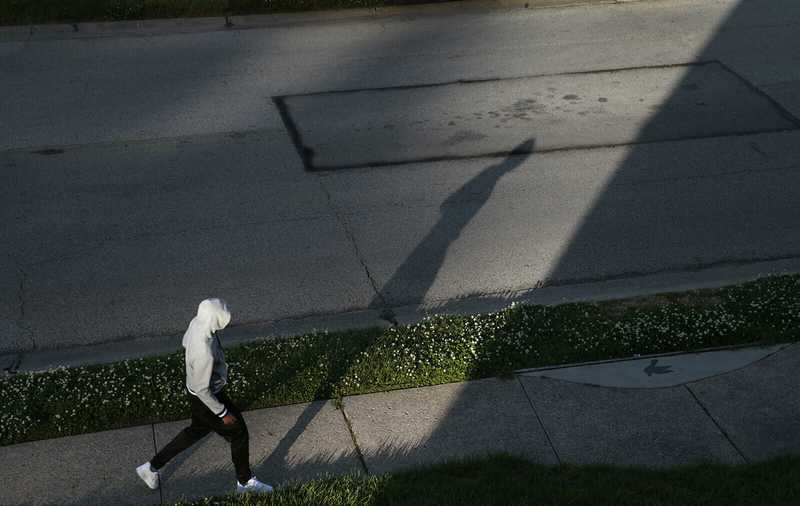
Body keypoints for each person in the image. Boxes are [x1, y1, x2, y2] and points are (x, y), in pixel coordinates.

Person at [136, 298, 273, 495]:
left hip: (194, 392)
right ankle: (245, 483)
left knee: (194, 432)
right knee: (239, 433)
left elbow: (185, 342)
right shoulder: (204, 353)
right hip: (206, 398)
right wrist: (222, 412)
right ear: (213, 320)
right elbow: (203, 390)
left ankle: (150, 468)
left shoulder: (196, 323)